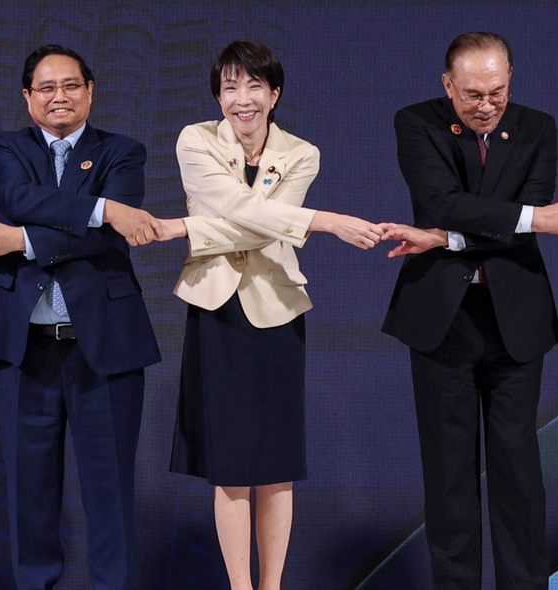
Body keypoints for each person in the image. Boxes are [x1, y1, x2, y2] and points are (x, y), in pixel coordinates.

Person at [154, 41, 382, 590]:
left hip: (277, 310)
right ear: (218, 96)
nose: (243, 99)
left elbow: (261, 226)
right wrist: (325, 221)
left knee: (278, 462)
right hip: (216, 308)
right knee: (230, 463)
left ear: (274, 94)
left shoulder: (301, 153)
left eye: (254, 86)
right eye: (230, 87)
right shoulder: (196, 140)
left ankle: (272, 585)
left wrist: (184, 228)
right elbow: (245, 211)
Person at [379, 32, 558, 590]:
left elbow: (518, 208)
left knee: (518, 472)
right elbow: (443, 203)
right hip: (441, 319)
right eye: (473, 94)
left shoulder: (537, 127)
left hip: (516, 318)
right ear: (448, 85)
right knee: (449, 477)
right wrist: (532, 219)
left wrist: (445, 239)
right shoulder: (416, 122)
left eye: (497, 92)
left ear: (510, 81)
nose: (486, 106)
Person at [0, 44, 162, 590]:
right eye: (46, 87)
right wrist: (103, 209)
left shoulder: (123, 152)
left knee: (110, 491)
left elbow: (107, 238)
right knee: (29, 491)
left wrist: (21, 241)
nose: (59, 97)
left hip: (105, 346)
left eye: (71, 85)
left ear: (90, 92)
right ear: (27, 97)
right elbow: (16, 198)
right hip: (24, 345)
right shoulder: (5, 147)